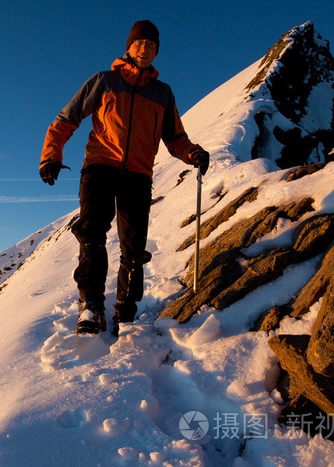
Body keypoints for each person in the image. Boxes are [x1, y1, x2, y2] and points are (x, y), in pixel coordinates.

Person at [39, 20, 209, 335]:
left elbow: (175, 138)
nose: (146, 49)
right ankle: (90, 306)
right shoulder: (104, 81)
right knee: (91, 234)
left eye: (152, 45)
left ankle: (125, 313)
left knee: (133, 247)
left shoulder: (163, 94)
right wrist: (51, 155)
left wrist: (192, 153)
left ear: (157, 51)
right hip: (100, 166)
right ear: (129, 47)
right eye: (140, 43)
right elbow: (67, 118)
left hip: (138, 175)